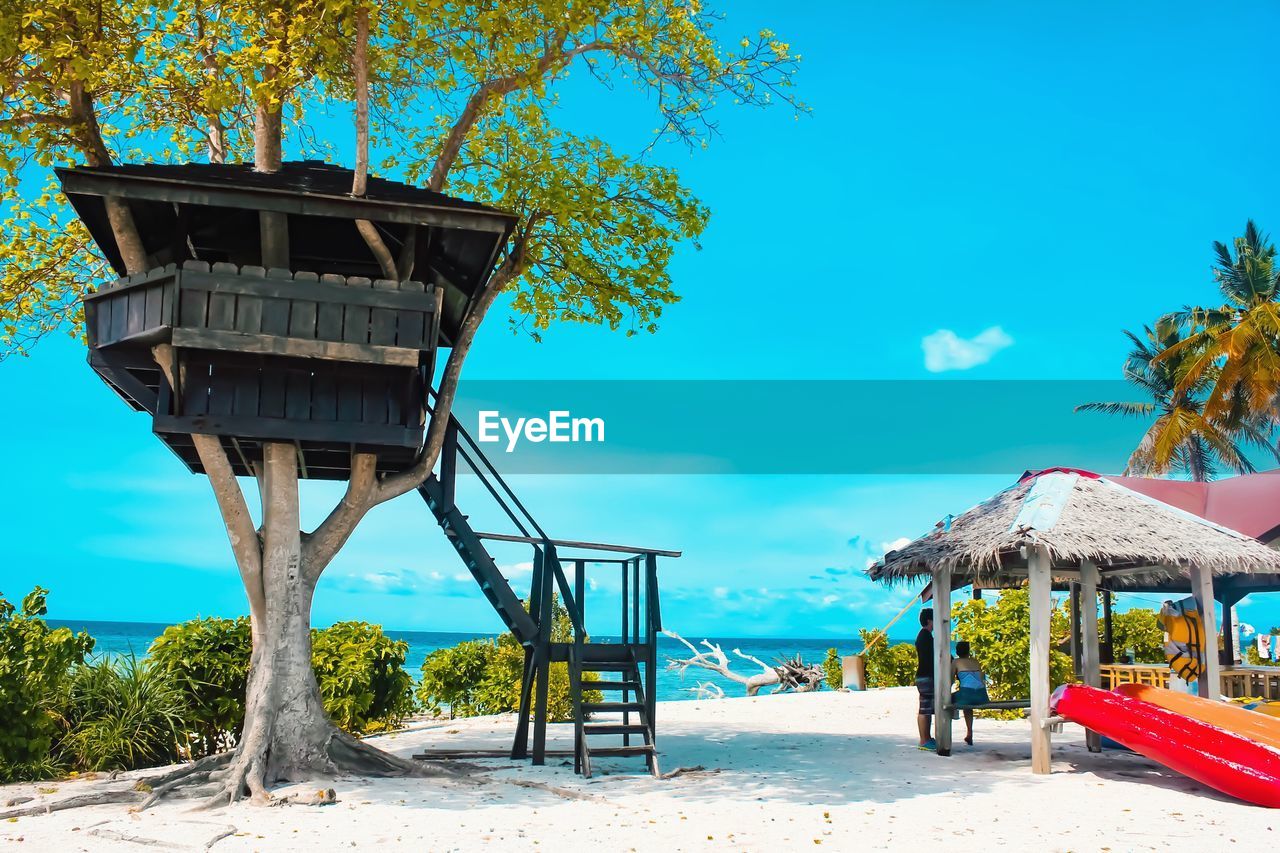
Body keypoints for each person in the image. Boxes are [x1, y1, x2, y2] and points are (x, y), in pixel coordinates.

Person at [951, 641, 989, 746]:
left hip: (967, 695)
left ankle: (952, 719)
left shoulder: (956, 662)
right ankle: (969, 733)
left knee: (949, 699)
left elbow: (950, 681)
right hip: (982, 696)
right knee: (967, 705)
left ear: (957, 651)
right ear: (968, 651)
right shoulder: (975, 661)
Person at [915, 608, 935, 750]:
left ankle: (926, 738)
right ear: (929, 620)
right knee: (925, 708)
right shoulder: (926, 637)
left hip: (924, 676)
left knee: (926, 708)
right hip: (926, 676)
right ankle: (924, 740)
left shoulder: (923, 636)